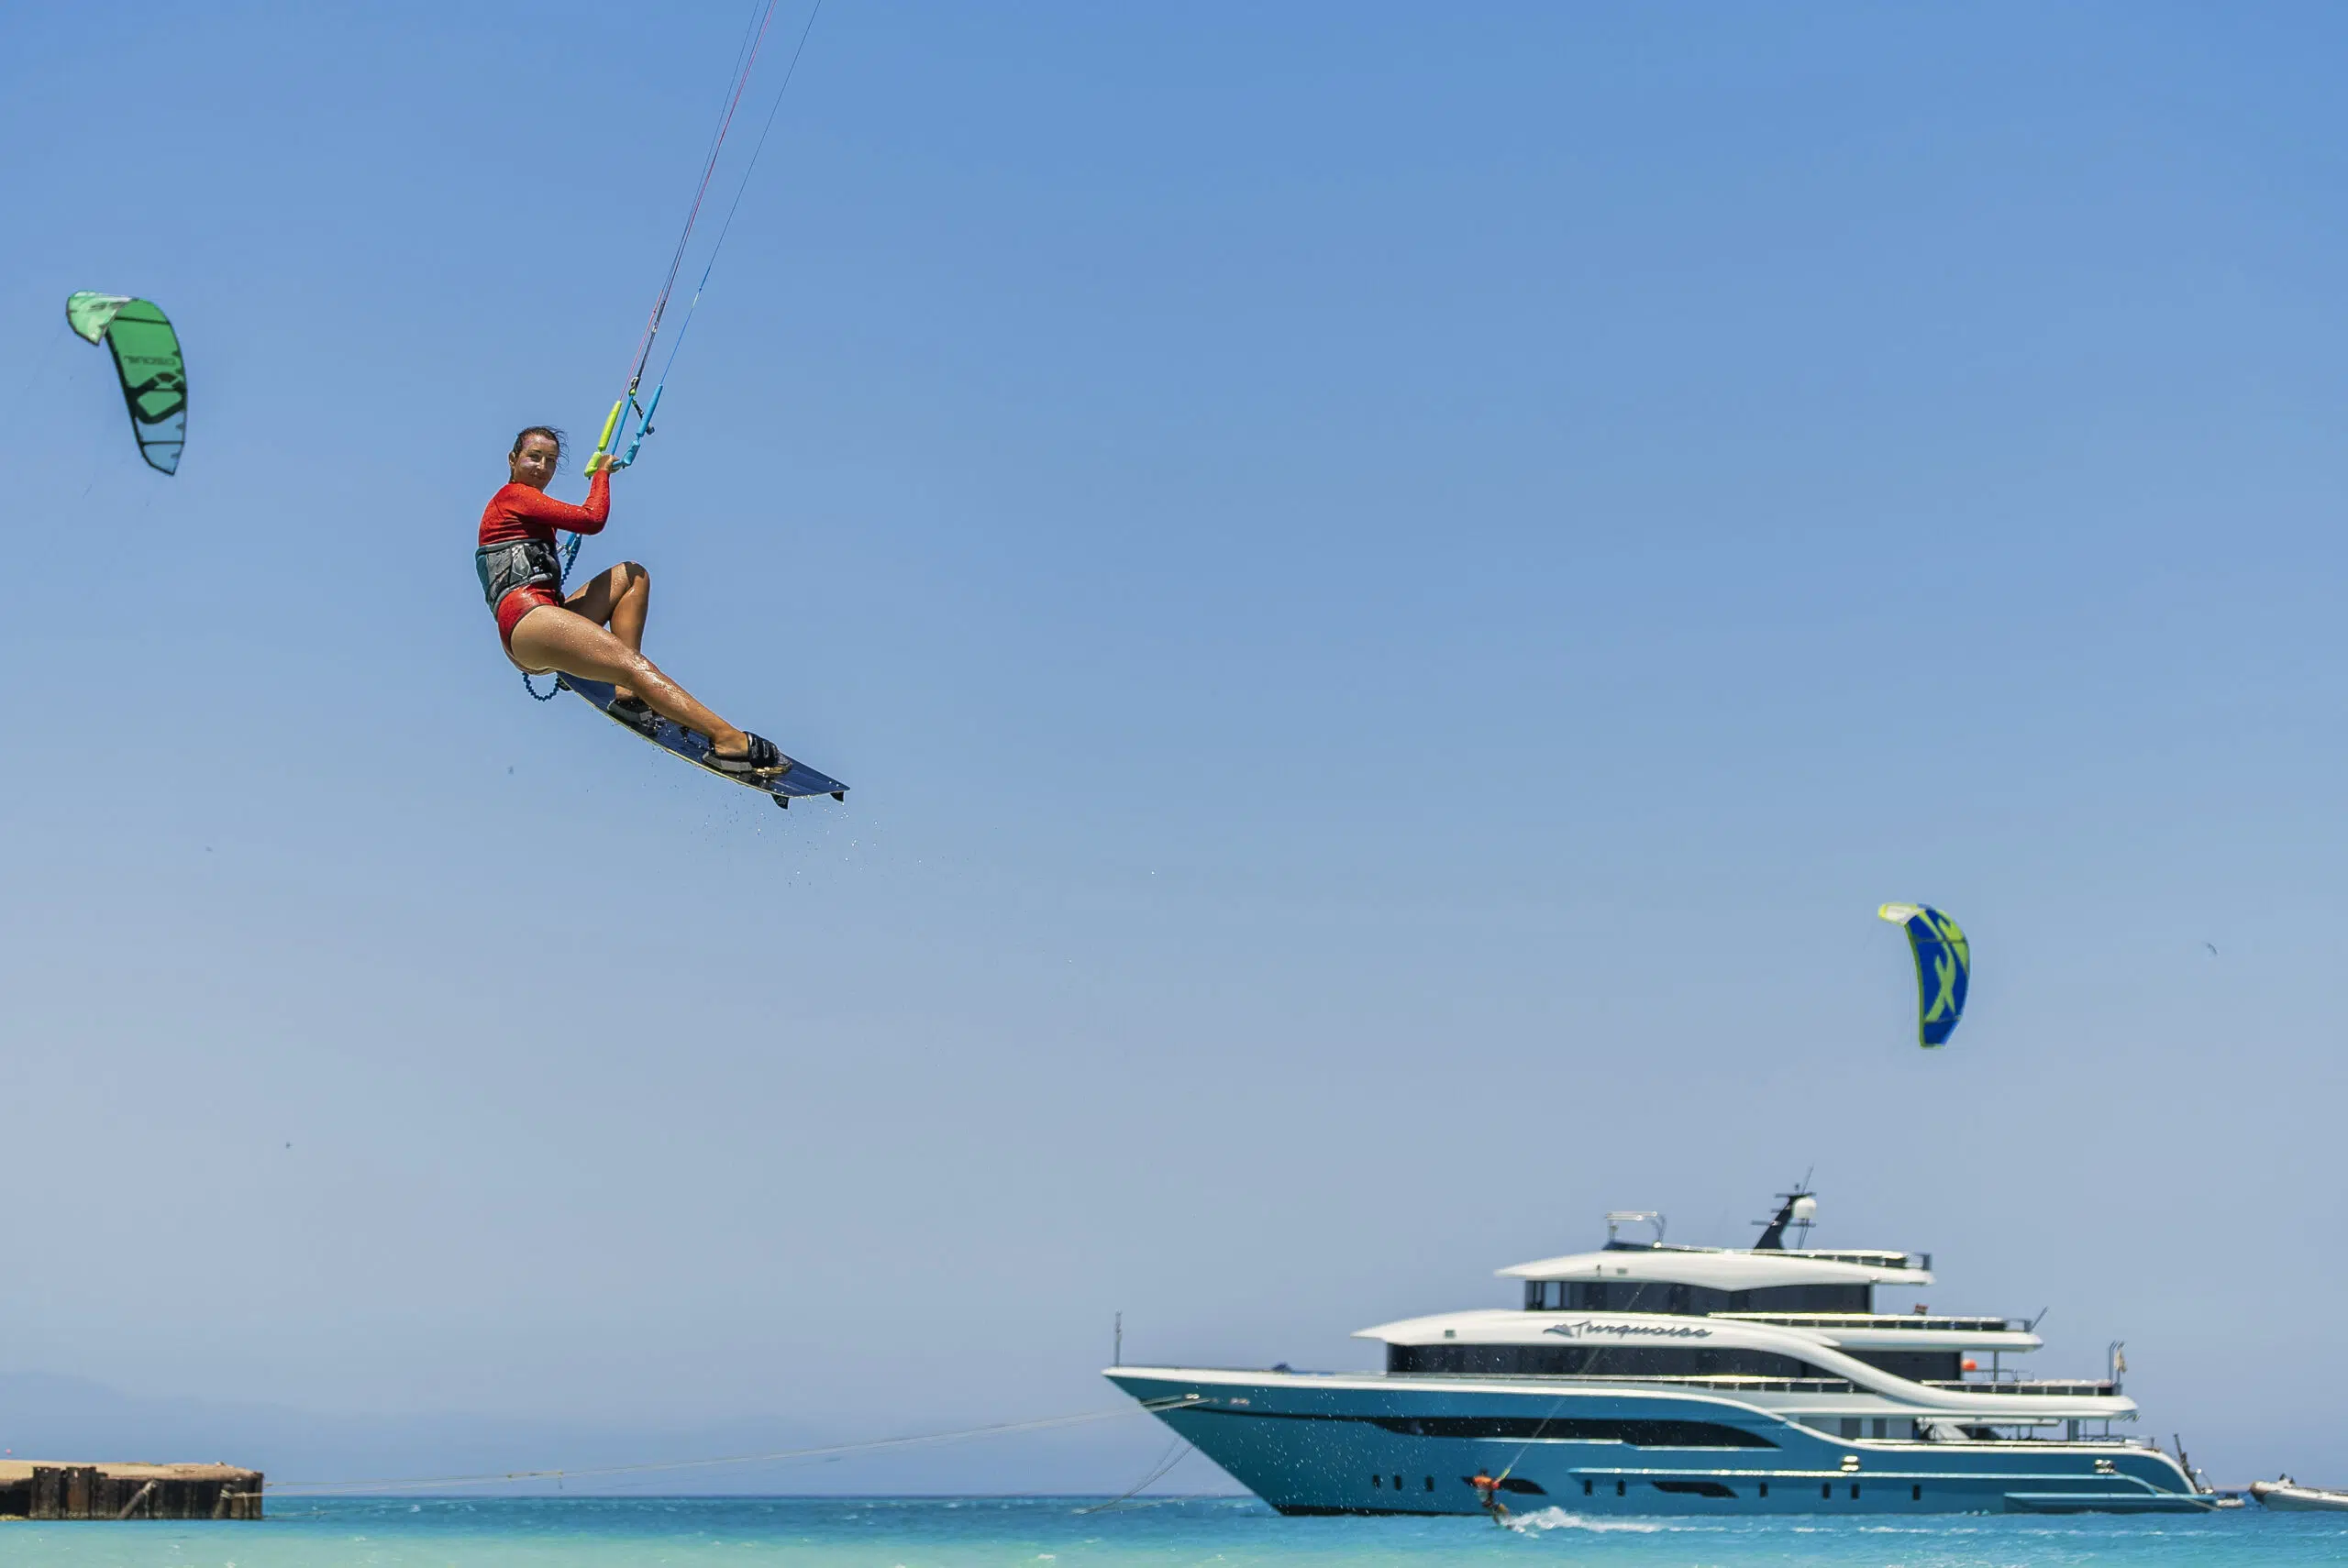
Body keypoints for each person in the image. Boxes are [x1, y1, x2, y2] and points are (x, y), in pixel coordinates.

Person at [475, 426, 787, 773]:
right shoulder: (514, 496)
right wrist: (602, 474)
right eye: (534, 457)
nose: (542, 467)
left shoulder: (527, 507)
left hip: (543, 620)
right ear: (513, 459)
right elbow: (592, 519)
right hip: (527, 623)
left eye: (551, 461)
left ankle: (627, 695)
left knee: (632, 575)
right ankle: (727, 740)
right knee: (633, 666)